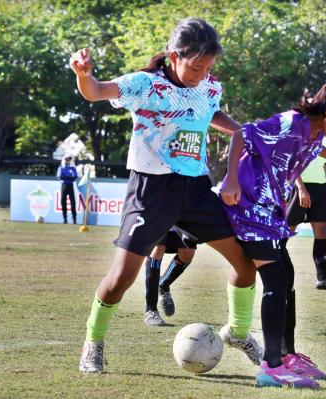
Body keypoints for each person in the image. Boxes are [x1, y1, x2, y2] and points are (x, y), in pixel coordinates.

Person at [70, 17, 262, 374]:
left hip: (196, 190)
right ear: (175, 56)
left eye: (208, 67)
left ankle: (237, 333)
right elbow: (97, 91)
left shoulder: (209, 87)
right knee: (120, 280)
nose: (201, 73)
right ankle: (92, 344)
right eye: (195, 65)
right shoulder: (144, 85)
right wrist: (84, 75)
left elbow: (208, 111)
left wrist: (242, 132)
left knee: (245, 265)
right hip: (150, 191)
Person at [221, 80, 326, 388]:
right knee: (276, 279)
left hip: (269, 211)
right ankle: (271, 367)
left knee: (286, 276)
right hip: (248, 205)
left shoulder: (317, 132)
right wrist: (231, 181)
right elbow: (241, 134)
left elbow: (318, 150)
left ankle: (286, 356)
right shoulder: (291, 123)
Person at [286, 137, 326, 291]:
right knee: (284, 234)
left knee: (322, 232)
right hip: (298, 187)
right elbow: (291, 162)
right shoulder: (301, 130)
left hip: (320, 187)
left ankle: (322, 279)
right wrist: (300, 188)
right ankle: (273, 272)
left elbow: (322, 164)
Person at [143, 229, 196, 326]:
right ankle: (151, 310)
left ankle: (163, 285)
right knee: (157, 249)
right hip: (157, 216)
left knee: (188, 252)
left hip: (180, 218)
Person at [56, 155, 78, 224]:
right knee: (63, 202)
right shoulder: (61, 168)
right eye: (66, 159)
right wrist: (69, 177)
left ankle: (74, 219)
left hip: (70, 185)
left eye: (69, 159)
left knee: (72, 202)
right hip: (64, 185)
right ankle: (65, 218)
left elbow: (75, 177)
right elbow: (60, 176)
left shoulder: (73, 168)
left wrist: (67, 177)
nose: (67, 160)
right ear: (64, 160)